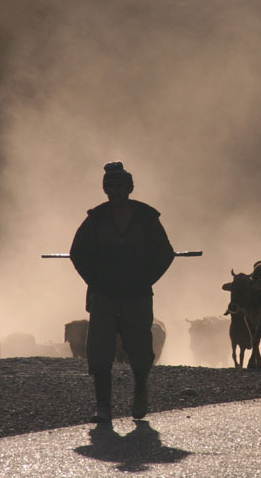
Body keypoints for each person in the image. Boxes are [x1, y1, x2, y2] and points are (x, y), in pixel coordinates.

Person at [70, 161, 175, 423]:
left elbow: (165, 253)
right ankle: (103, 407)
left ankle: (140, 391)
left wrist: (145, 279)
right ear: (105, 189)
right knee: (100, 350)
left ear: (130, 188)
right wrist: (94, 281)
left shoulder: (147, 218)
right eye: (111, 187)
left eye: (121, 187)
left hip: (136, 295)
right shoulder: (96, 219)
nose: (116, 192)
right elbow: (77, 253)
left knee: (139, 348)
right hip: (104, 295)